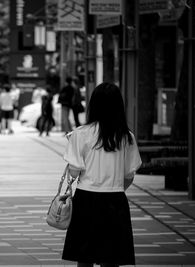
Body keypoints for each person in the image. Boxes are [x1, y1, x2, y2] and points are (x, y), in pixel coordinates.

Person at [62, 82, 142, 267]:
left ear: (94, 105)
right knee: (112, 258)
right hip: (115, 200)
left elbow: (74, 171)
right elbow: (130, 174)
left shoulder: (80, 134)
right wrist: (114, 185)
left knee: (85, 257)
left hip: (86, 199)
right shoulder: (127, 136)